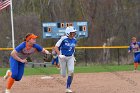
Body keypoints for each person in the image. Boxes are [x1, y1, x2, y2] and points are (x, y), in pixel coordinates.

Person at [54, 26, 77, 93]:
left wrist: (74, 57)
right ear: (68, 33)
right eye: (72, 32)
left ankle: (68, 87)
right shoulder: (63, 39)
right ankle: (61, 70)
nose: (74, 34)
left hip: (70, 57)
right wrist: (59, 55)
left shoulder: (74, 40)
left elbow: (73, 49)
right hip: (62, 57)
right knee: (63, 75)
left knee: (71, 71)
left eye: (74, 32)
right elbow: (56, 47)